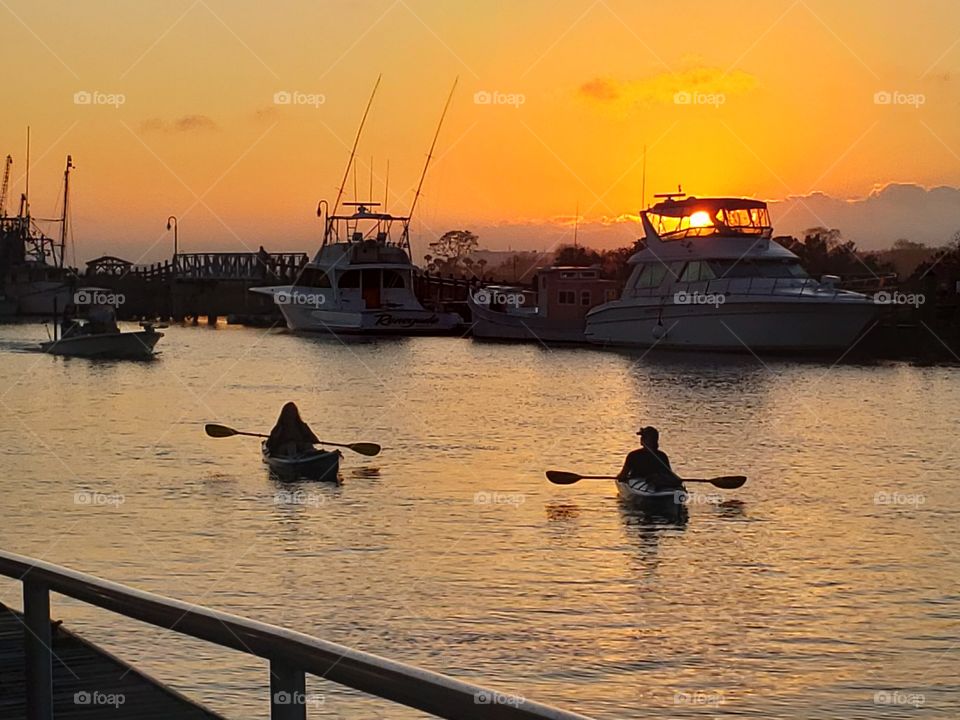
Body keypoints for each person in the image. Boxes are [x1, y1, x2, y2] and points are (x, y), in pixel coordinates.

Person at [617, 426, 683, 490]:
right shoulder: (662, 455)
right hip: (643, 484)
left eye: (643, 437)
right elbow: (668, 473)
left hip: (645, 483)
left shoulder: (633, 455)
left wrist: (619, 478)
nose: (641, 439)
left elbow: (622, 476)